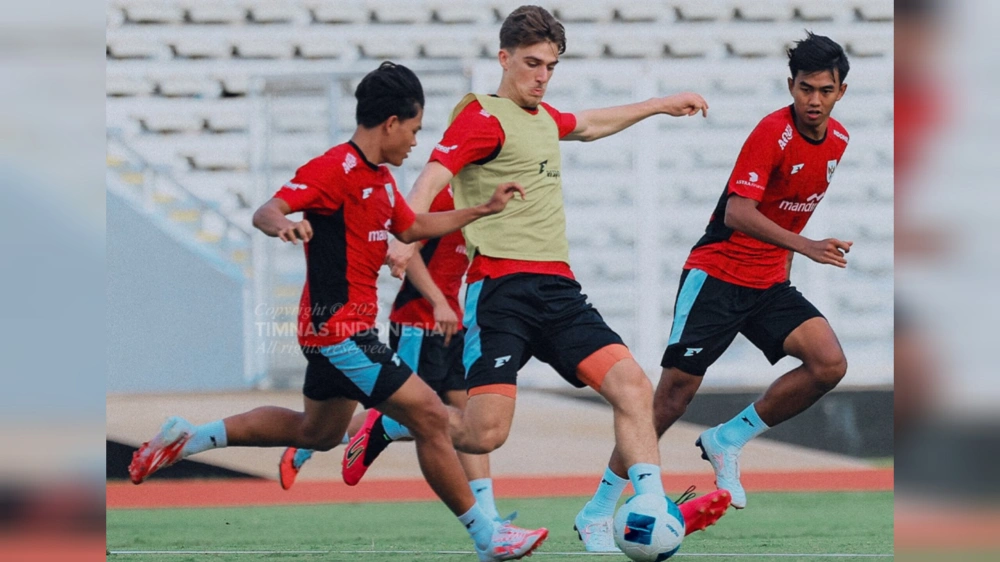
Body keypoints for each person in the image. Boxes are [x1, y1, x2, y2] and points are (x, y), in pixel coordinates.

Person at [344, 6, 730, 553]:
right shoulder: (482, 117)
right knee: (485, 434)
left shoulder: (544, 119)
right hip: (500, 292)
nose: (542, 75)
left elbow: (591, 124)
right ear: (504, 59)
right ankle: (385, 426)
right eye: (531, 63)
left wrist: (661, 105)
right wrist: (405, 235)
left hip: (558, 291)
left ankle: (627, 508)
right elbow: (434, 174)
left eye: (550, 65)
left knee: (633, 388)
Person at [127, 61, 547, 562]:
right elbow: (268, 209)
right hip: (339, 331)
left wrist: (481, 210)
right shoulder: (333, 169)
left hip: (338, 332)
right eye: (413, 130)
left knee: (317, 432)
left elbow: (410, 229)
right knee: (432, 415)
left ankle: (189, 436)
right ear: (391, 122)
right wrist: (283, 225)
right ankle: (487, 535)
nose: (415, 142)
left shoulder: (384, 181)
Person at [582, 32, 854, 515]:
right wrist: (806, 247)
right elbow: (738, 212)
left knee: (828, 363)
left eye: (825, 91)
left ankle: (727, 439)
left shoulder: (839, 141)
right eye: (805, 88)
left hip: (768, 282)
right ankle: (599, 508)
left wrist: (789, 259)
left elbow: (789, 213)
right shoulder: (772, 133)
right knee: (670, 401)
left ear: (841, 92)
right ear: (790, 85)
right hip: (718, 277)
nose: (814, 100)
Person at [278, 186, 505, 521]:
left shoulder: (486, 202)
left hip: (452, 327)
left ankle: (489, 513)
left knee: (467, 419)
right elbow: (405, 250)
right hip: (417, 322)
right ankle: (311, 440)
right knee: (406, 414)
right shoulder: (443, 197)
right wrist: (439, 301)